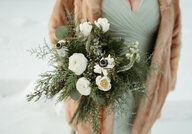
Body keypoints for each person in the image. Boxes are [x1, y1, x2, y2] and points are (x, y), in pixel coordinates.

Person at [48, 0, 182, 134]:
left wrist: (164, 83)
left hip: (144, 94)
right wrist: (76, 70)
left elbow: (173, 40)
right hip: (96, 93)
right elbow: (58, 26)